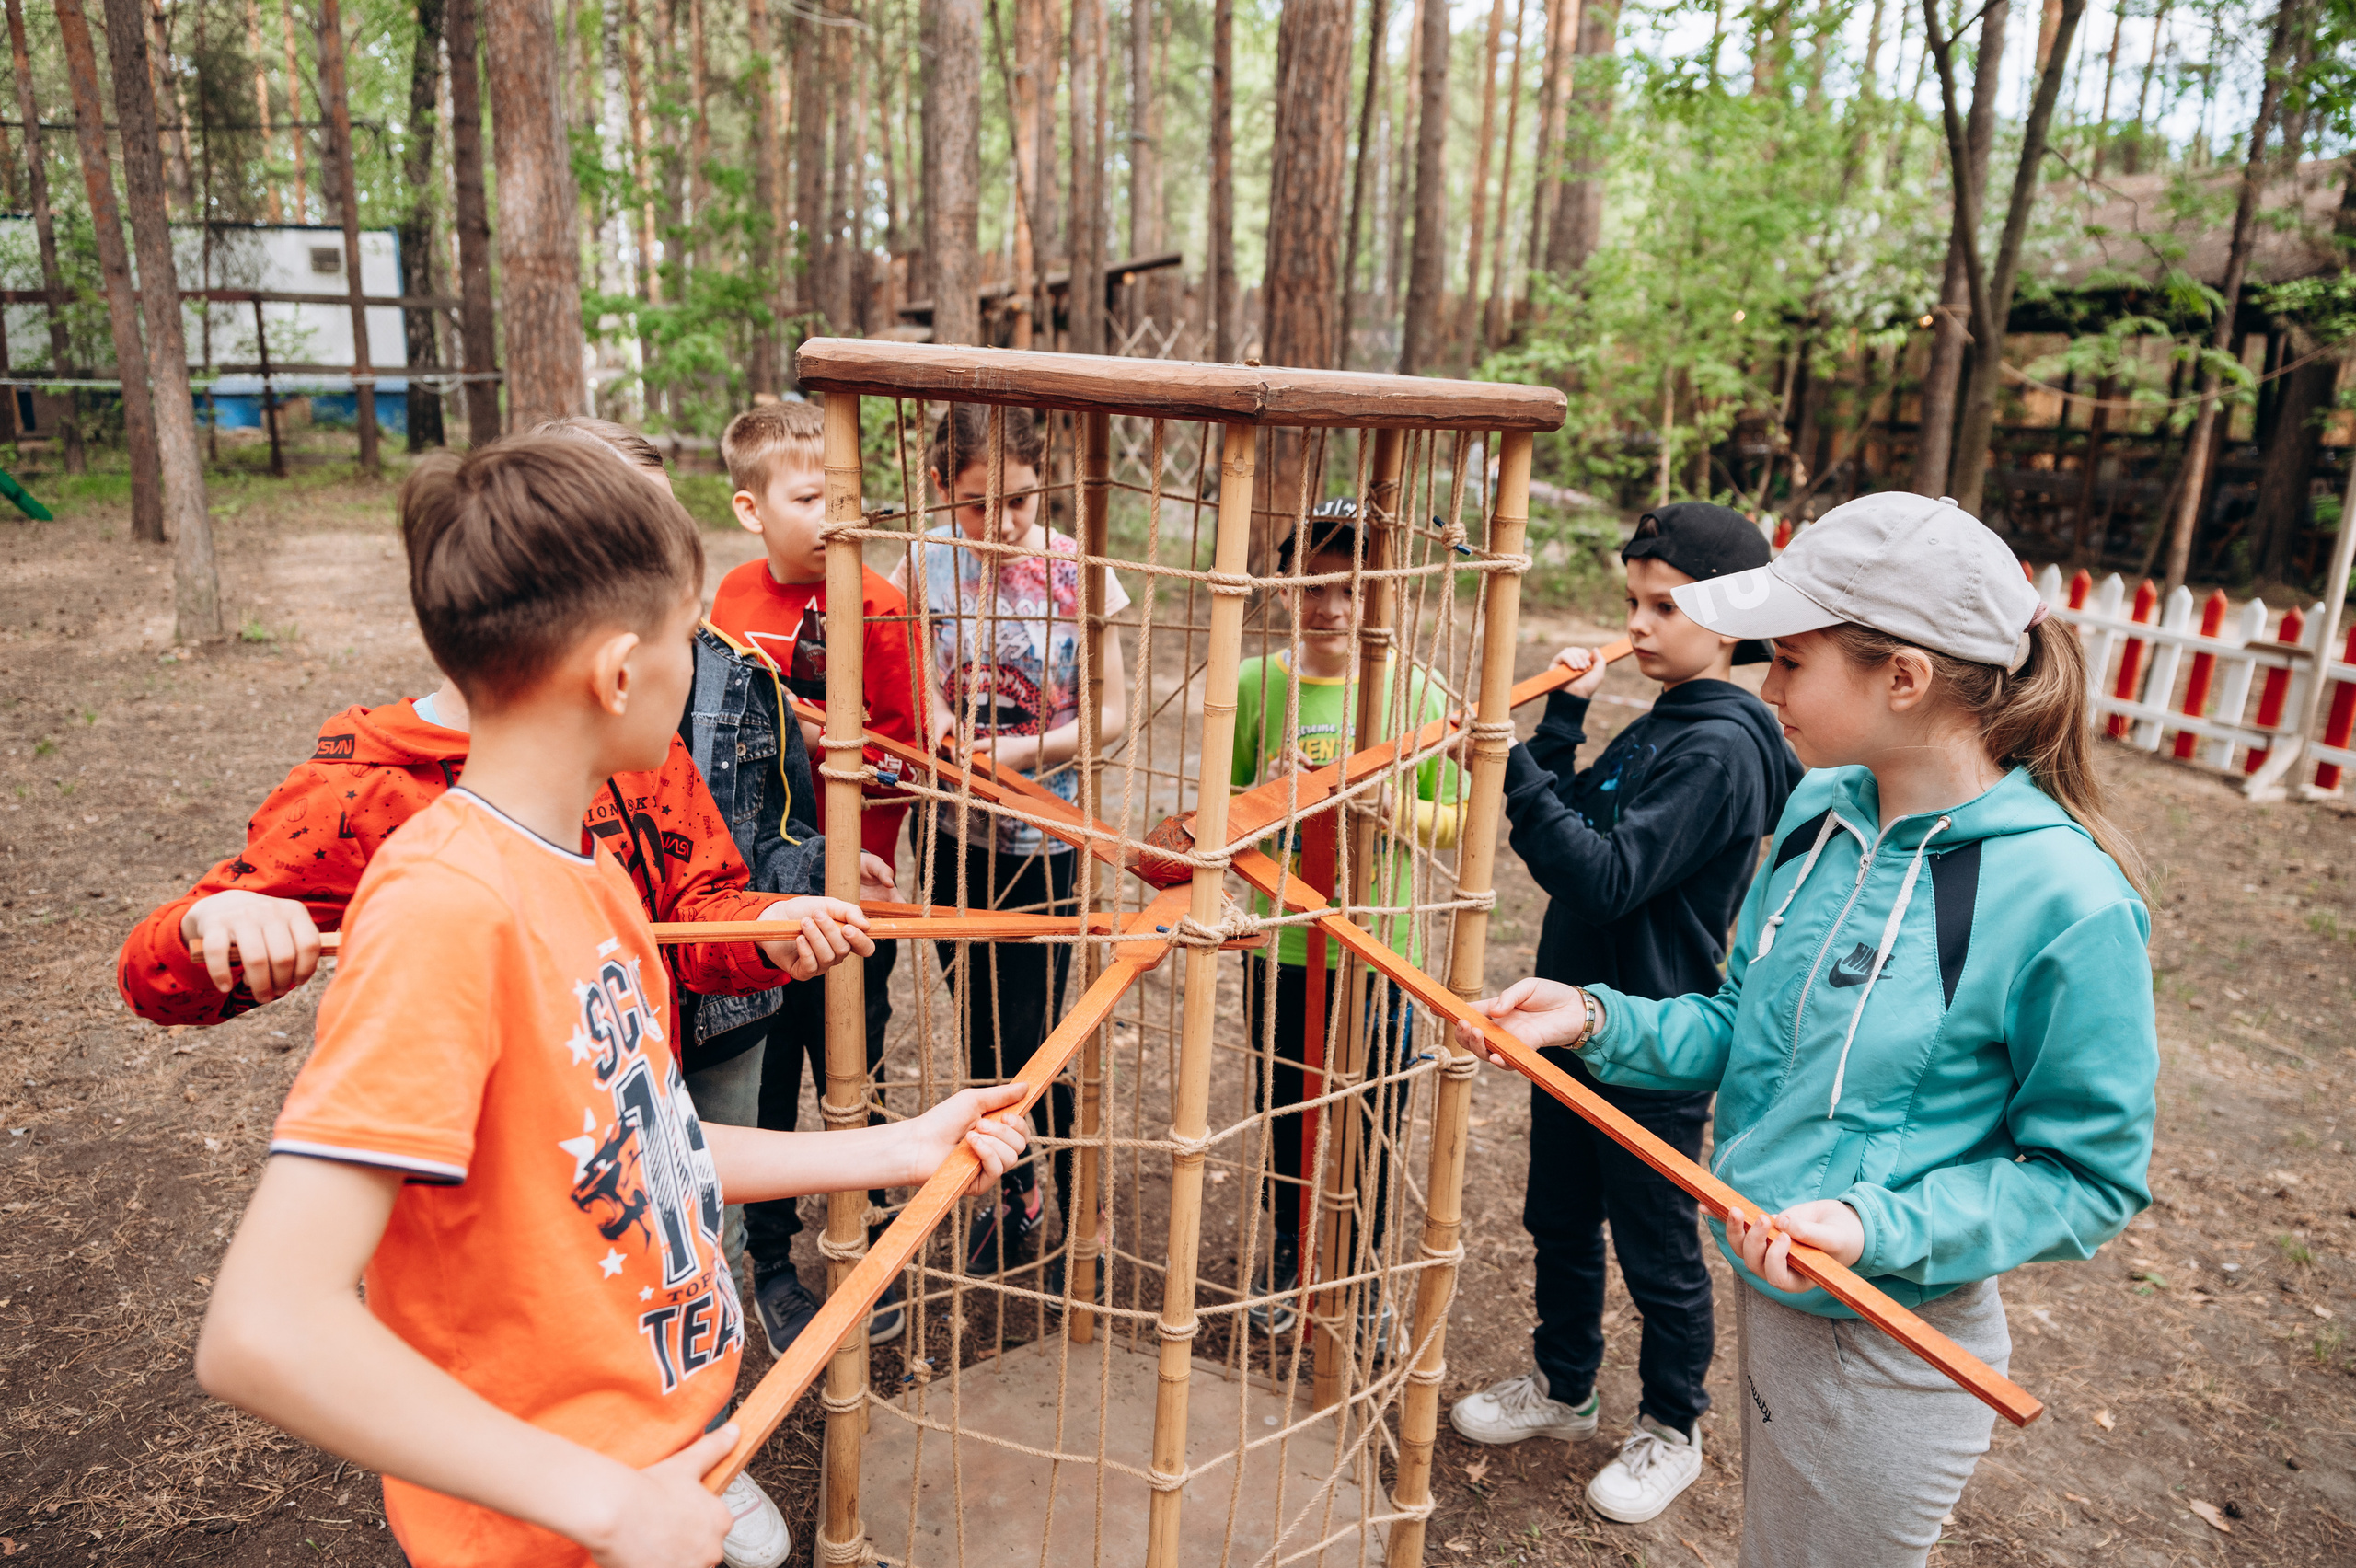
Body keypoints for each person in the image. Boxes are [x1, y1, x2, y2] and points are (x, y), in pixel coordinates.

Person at [191, 438, 1030, 1568]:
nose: (704, 663)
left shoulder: (593, 875)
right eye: (690, 636)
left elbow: (645, 1147)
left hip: (661, 1460)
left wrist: (902, 1148)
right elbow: (264, 1329)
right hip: (546, 1528)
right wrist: (598, 1501)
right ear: (622, 671)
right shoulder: (447, 908)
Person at [1461, 493, 2157, 1568]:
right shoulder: (1822, 811)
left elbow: (2088, 1176)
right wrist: (1597, 1015)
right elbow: (1747, 1023)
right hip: (1771, 1298)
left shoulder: (2065, 897)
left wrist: (1871, 1228)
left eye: (1787, 662)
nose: (1764, 684)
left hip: (1891, 1351)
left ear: (1903, 678)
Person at [1449, 503, 1802, 1525]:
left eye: (1663, 607)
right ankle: (1563, 1390)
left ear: (1732, 620)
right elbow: (1580, 826)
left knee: (1654, 1247)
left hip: (1654, 1038)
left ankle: (1669, 1429)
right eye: (1631, 605)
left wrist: (1506, 762)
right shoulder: (1669, 719)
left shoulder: (1722, 748)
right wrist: (1560, 728)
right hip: (1570, 1024)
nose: (1637, 627)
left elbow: (1600, 877)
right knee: (1558, 1217)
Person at [889, 402, 1130, 1277]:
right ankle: (1015, 1180)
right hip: (950, 834)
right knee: (979, 1022)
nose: (1002, 524)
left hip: (1046, 839)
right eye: (978, 503)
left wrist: (1026, 749)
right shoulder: (924, 564)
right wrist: (945, 722)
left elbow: (1114, 712)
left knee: (1033, 1035)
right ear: (941, 488)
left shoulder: (1084, 574)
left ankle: (1074, 1201)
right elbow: (917, 672)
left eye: (1022, 501)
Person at [709, 398, 924, 1353]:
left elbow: (910, 749)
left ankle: (860, 1240)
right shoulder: (728, 605)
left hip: (851, 893)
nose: (836, 515)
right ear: (752, 510)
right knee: (760, 1079)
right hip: (748, 900)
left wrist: (869, 830)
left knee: (853, 1061)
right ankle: (769, 1259)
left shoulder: (877, 602)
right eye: (809, 497)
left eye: (846, 495)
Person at [1233, 499, 1461, 1343]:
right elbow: (1226, 812)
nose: (1331, 605)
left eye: (1353, 587)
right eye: (1315, 585)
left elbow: (1462, 818)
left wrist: (1385, 801)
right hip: (1283, 947)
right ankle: (1292, 1256)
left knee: (1371, 1119)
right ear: (1290, 588)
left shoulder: (1414, 690)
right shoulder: (1261, 683)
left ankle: (1361, 1274)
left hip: (1378, 950)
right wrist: (1270, 789)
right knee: (1286, 1107)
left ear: (1383, 595)